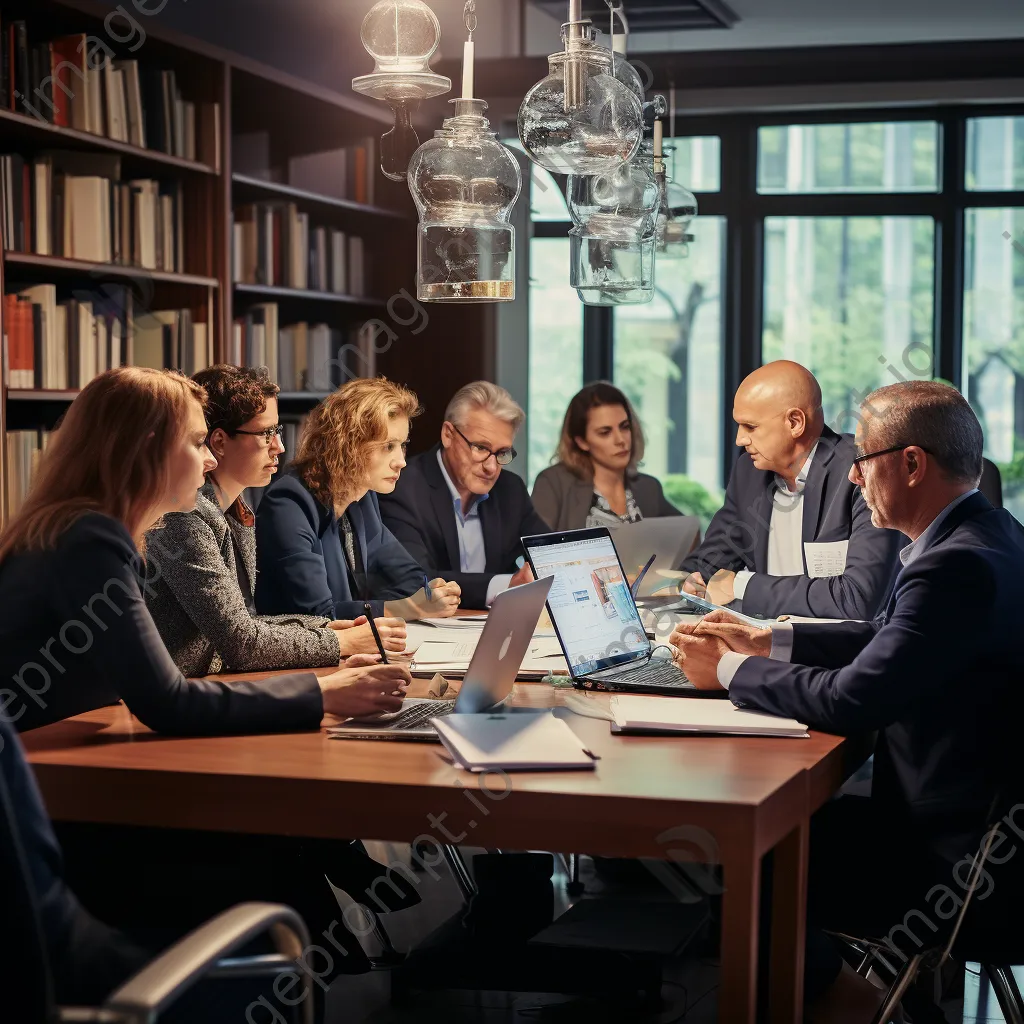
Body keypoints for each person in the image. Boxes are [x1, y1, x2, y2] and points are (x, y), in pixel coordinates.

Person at [670, 381, 1024, 1024]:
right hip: (985, 834)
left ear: (911, 464)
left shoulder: (953, 567)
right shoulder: (991, 533)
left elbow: (855, 696)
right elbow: (888, 635)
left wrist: (728, 670)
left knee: (751, 860)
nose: (853, 476)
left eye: (864, 458)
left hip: (957, 871)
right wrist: (769, 638)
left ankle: (856, 1007)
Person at [0, 367, 411, 736]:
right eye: (198, 442)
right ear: (147, 448)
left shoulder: (88, 530)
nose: (211, 459)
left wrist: (320, 642)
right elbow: (168, 703)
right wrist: (321, 693)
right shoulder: (90, 541)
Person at [145, 365, 407, 676]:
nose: (279, 447)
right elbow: (241, 643)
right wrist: (340, 641)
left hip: (206, 685)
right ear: (219, 442)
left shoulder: (236, 512)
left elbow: (247, 621)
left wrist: (328, 627)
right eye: (265, 433)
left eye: (278, 431)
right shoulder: (185, 519)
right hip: (179, 697)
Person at [676, 360, 903, 620]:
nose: (740, 439)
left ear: (795, 422)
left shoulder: (862, 470)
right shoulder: (748, 473)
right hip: (764, 642)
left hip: (848, 651)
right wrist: (689, 581)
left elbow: (859, 599)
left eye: (750, 427)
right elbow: (712, 563)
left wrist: (742, 585)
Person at [255, 377, 461, 621]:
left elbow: (408, 578)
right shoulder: (289, 503)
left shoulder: (362, 498)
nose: (401, 461)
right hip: (300, 656)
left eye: (402, 445)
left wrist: (432, 594)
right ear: (349, 444)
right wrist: (409, 607)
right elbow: (318, 615)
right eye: (388, 447)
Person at [378, 381, 549, 609]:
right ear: (448, 435)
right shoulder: (402, 487)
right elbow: (417, 581)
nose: (491, 467)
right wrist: (504, 585)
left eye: (502, 453)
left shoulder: (510, 490)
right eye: (480, 448)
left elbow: (548, 553)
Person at [531, 381, 681, 532]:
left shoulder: (649, 487)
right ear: (582, 441)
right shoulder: (554, 483)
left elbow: (689, 534)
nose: (620, 440)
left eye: (625, 427)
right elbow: (537, 549)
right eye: (605, 432)